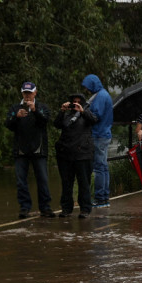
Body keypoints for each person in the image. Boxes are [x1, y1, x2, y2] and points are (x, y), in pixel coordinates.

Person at [6, 82, 55, 218]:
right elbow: (8, 124)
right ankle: (24, 207)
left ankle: (45, 208)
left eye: (30, 93)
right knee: (21, 180)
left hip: (39, 149)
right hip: (21, 150)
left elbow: (45, 120)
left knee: (43, 179)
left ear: (35, 93)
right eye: (25, 93)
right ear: (22, 93)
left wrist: (34, 110)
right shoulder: (15, 108)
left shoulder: (42, 107)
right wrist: (16, 117)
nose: (27, 95)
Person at [53, 92, 96, 218]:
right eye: (74, 102)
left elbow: (94, 120)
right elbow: (56, 124)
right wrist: (62, 111)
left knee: (84, 183)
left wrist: (82, 111)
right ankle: (66, 209)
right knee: (66, 183)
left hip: (83, 154)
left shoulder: (86, 114)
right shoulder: (66, 115)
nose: (76, 104)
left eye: (78, 102)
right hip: (65, 154)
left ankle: (85, 209)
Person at [82, 74, 113, 208]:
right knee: (104, 167)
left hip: (99, 134)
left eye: (87, 86)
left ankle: (100, 198)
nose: (87, 89)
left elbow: (96, 115)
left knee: (99, 167)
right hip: (105, 134)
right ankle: (104, 197)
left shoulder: (100, 97)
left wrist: (84, 112)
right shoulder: (105, 94)